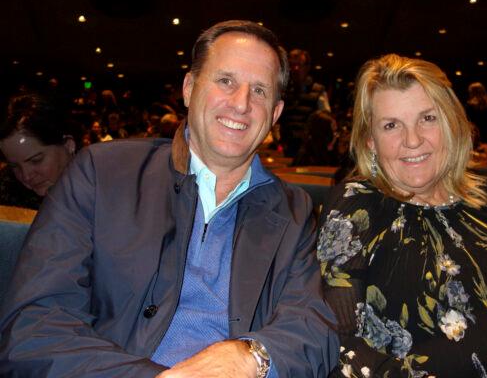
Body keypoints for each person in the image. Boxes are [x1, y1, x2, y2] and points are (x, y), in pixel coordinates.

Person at [0, 20, 338, 377]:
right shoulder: (102, 173)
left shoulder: (293, 210)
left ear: (275, 114)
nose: (241, 104)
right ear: (190, 88)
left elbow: (313, 331)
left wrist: (250, 356)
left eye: (260, 91)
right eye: (226, 81)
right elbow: (32, 326)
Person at [317, 54, 487, 378]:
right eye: (391, 125)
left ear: (452, 122)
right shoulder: (357, 207)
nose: (413, 140)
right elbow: (339, 341)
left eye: (427, 118)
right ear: (371, 142)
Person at [0, 93, 78, 209]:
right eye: (14, 166)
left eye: (36, 160)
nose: (26, 176)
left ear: (68, 145)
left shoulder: (102, 188)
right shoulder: (7, 192)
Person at [279, 48, 331, 158]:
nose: (295, 69)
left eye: (299, 65)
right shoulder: (285, 91)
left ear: (307, 67)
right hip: (288, 148)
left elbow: (326, 119)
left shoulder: (318, 91)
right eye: (292, 65)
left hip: (309, 150)